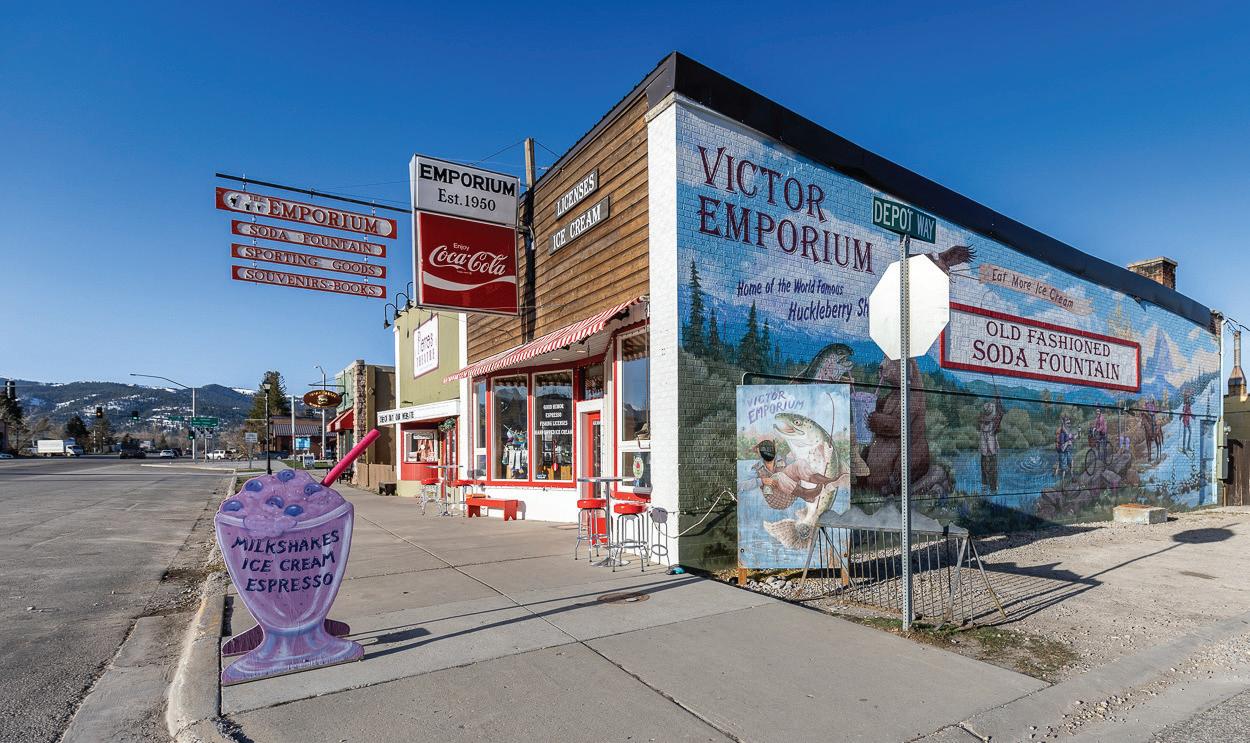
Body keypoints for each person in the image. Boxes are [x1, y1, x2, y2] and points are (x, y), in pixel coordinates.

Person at [978, 400, 1003, 494]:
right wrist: (998, 402)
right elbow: (1000, 414)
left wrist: (998, 401)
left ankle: (991, 488)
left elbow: (1000, 414)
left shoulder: (985, 423)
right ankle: (990, 488)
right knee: (988, 469)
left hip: (988, 451)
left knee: (989, 470)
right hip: (987, 451)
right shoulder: (990, 424)